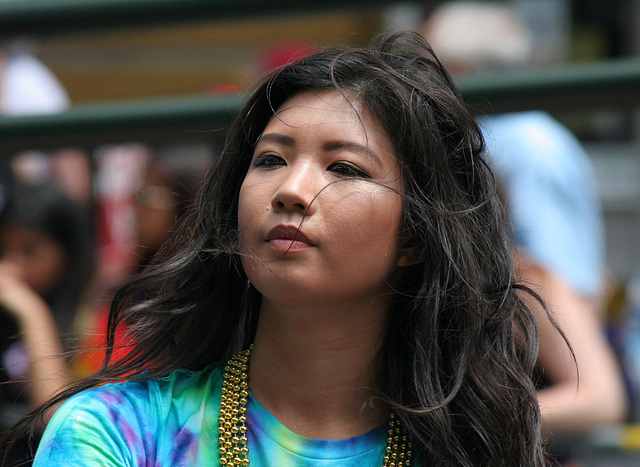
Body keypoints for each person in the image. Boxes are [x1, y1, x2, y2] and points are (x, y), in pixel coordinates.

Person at [6, 32, 555, 466]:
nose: (291, 190)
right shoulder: (115, 435)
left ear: (415, 236)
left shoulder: (471, 450)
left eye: (344, 167)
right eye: (270, 159)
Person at [421, 1, 627, 440]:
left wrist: (461, 423)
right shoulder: (510, 137)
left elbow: (557, 284)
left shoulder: (522, 145)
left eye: (423, 67)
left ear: (455, 67)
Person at [0, 182, 94, 464]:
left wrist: (31, 311)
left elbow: (52, 417)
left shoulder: (95, 316)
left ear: (68, 254)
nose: (13, 266)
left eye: (30, 251)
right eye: (5, 250)